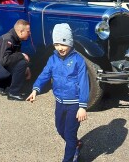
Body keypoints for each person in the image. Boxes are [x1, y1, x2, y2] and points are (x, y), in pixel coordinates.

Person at [26, 23, 89, 162]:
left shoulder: (78, 60)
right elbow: (44, 74)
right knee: (60, 129)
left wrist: (83, 106)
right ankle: (76, 145)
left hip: (74, 103)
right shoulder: (52, 59)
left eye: (63, 44)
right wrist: (36, 89)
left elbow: (84, 83)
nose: (60, 48)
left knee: (69, 134)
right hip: (60, 102)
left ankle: (70, 157)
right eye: (56, 44)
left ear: (70, 43)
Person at [0, 19, 32, 101]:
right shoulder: (8, 39)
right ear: (21, 31)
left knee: (23, 63)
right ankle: (13, 93)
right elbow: (5, 60)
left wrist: (27, 68)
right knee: (22, 63)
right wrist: (22, 55)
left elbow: (13, 56)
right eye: (28, 31)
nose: (30, 33)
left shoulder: (16, 38)